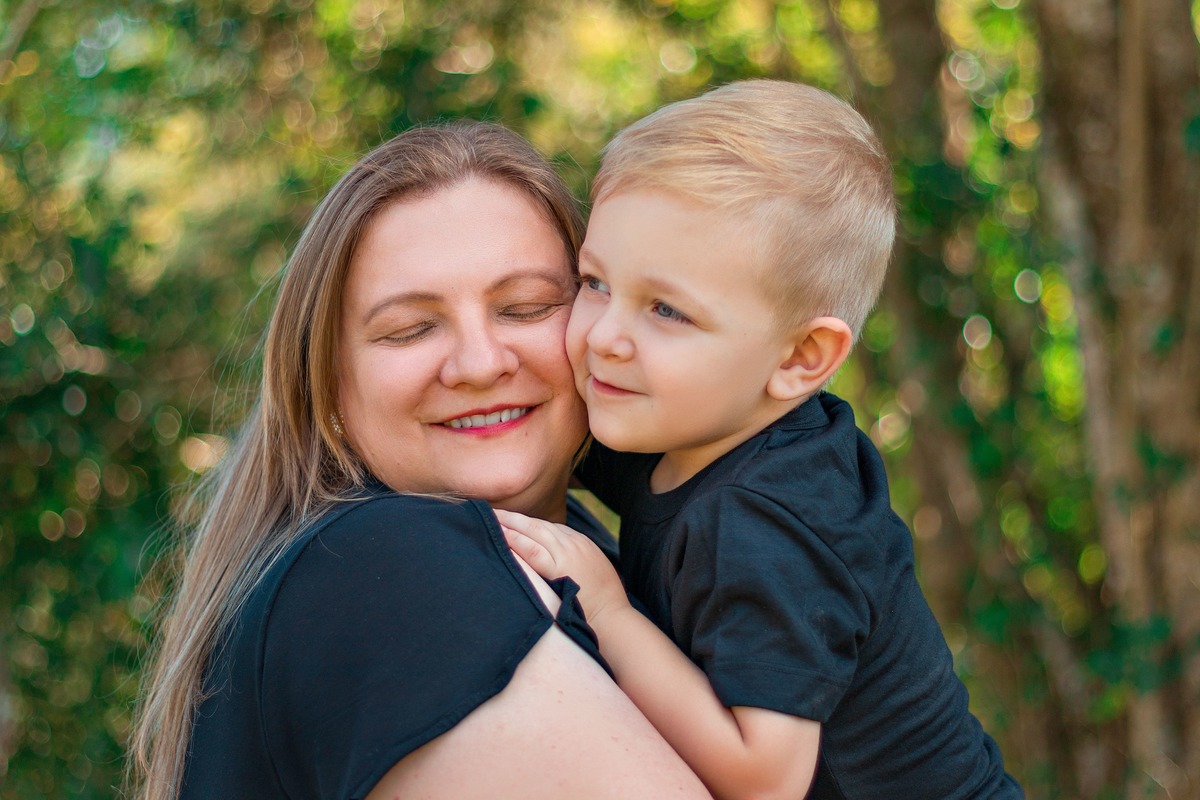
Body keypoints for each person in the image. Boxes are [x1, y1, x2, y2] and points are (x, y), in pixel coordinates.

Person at [128, 122, 712, 800]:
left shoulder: (600, 557)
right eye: (410, 330)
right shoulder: (386, 566)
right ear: (329, 384)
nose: (480, 363)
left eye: (524, 308)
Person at [500, 80, 1024, 800]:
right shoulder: (700, 418)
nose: (606, 337)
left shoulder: (766, 521)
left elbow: (765, 778)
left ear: (801, 358)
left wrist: (609, 610)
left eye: (667, 310)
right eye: (595, 282)